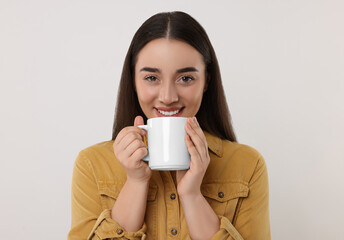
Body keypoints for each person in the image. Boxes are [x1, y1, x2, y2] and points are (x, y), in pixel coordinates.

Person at [68, 11, 270, 240]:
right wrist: (135, 182)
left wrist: (192, 195)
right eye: (152, 78)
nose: (167, 96)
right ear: (133, 81)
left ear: (206, 81)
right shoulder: (91, 165)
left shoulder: (248, 165)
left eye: (185, 78)